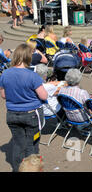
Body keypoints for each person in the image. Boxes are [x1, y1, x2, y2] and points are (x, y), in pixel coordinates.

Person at [0, 43, 47, 172]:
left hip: (12, 114)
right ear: (28, 57)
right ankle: (33, 169)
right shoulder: (32, 75)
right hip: (31, 113)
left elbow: (3, 95)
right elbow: (43, 96)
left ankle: (17, 169)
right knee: (33, 143)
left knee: (18, 144)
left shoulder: (5, 74)